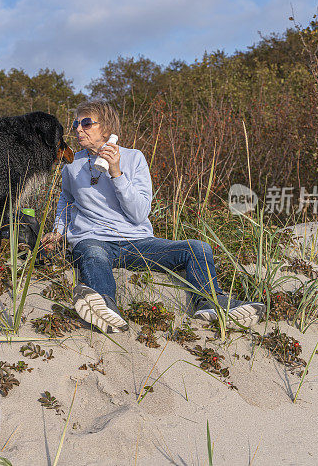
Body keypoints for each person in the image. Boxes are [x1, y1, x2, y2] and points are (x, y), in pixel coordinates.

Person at [41, 101, 264, 333]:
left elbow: (138, 214)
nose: (77, 128)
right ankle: (106, 308)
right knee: (94, 254)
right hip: (93, 239)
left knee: (197, 248)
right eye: (76, 123)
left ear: (106, 128)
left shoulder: (134, 158)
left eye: (86, 123)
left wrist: (116, 173)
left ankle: (209, 303)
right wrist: (58, 232)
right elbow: (65, 201)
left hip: (138, 242)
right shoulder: (72, 164)